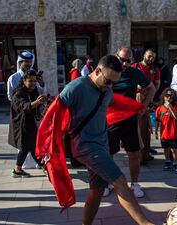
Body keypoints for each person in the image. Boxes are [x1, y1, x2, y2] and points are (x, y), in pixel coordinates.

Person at [59, 55, 154, 225]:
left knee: (97, 190)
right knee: (120, 181)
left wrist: (138, 107)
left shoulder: (107, 89)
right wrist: (48, 153)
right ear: (97, 71)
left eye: (114, 83)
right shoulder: (75, 88)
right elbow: (54, 118)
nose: (110, 86)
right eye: (108, 81)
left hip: (101, 145)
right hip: (85, 146)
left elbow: (117, 103)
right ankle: (145, 223)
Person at [107, 47, 156, 198]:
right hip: (110, 120)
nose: (124, 63)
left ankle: (134, 184)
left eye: (128, 61)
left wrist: (143, 107)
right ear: (116, 56)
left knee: (134, 154)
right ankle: (108, 183)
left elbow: (151, 88)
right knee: (108, 154)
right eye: (122, 59)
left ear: (132, 61)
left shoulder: (135, 73)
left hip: (129, 119)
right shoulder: (108, 71)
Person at [9, 69, 46, 177]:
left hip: (30, 122)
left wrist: (42, 104)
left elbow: (36, 105)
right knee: (30, 146)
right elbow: (23, 107)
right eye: (30, 81)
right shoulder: (19, 93)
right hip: (21, 123)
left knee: (27, 146)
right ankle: (44, 167)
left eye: (35, 81)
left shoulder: (33, 90)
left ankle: (17, 169)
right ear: (24, 81)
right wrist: (37, 102)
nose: (33, 83)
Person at [132, 49, 161, 160]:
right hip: (135, 98)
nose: (151, 59)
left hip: (147, 98)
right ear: (144, 55)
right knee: (135, 126)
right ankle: (136, 153)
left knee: (145, 127)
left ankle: (144, 153)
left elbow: (157, 83)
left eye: (153, 57)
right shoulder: (134, 66)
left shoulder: (155, 69)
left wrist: (152, 94)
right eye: (149, 56)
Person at [154, 88, 177, 173]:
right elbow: (157, 121)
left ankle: (175, 162)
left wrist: (170, 107)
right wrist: (156, 132)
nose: (168, 98)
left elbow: (176, 117)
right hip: (164, 133)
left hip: (174, 133)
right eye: (167, 96)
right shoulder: (159, 109)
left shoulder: (175, 106)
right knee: (166, 149)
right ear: (163, 97)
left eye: (171, 97)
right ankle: (167, 161)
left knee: (174, 149)